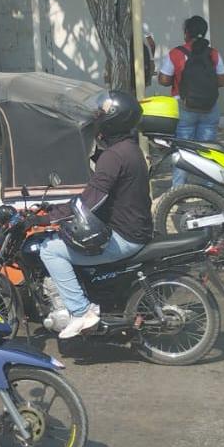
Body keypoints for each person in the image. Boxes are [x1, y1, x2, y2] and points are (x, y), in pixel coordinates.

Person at [37, 91, 152, 339]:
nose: (96, 118)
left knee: (50, 249)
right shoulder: (128, 148)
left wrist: (48, 218)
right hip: (133, 228)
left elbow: (92, 200)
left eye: (101, 114)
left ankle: (81, 311)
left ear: (114, 119)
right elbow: (97, 193)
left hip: (125, 236)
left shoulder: (114, 156)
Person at [158, 16, 224, 185]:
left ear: (187, 33)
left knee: (183, 151)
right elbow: (222, 81)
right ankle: (210, 192)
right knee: (208, 151)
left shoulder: (176, 53)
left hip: (184, 107)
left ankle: (178, 189)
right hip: (209, 107)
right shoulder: (213, 53)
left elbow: (165, 80)